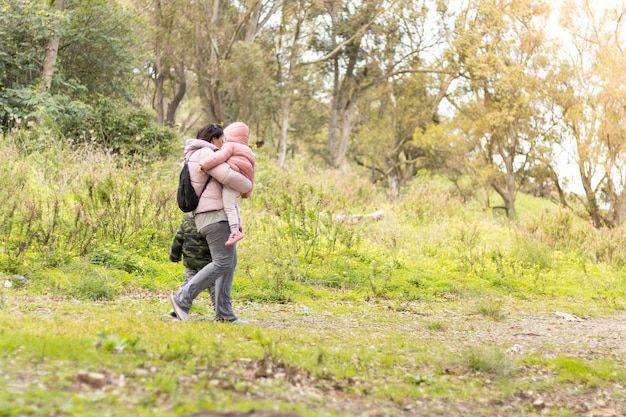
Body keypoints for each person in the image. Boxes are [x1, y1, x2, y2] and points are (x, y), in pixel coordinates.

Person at [169, 123, 253, 323]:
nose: (224, 144)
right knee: (223, 262)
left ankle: (224, 314)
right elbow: (232, 178)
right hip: (215, 215)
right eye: (222, 139)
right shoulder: (206, 153)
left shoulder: (192, 154)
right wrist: (249, 184)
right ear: (214, 138)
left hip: (207, 215)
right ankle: (182, 299)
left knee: (228, 263)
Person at [198, 121, 255, 246]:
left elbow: (220, 156)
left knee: (228, 205)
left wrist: (204, 165)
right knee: (233, 204)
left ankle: (234, 231)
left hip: (232, 177)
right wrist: (247, 192)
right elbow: (252, 173)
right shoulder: (249, 151)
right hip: (242, 181)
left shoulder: (230, 146)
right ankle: (237, 223)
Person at [168, 212, 215, 319]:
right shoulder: (212, 217)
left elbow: (179, 237)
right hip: (209, 261)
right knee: (214, 287)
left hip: (191, 260)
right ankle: (221, 311)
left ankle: (177, 307)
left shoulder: (187, 217)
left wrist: (174, 256)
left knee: (188, 284)